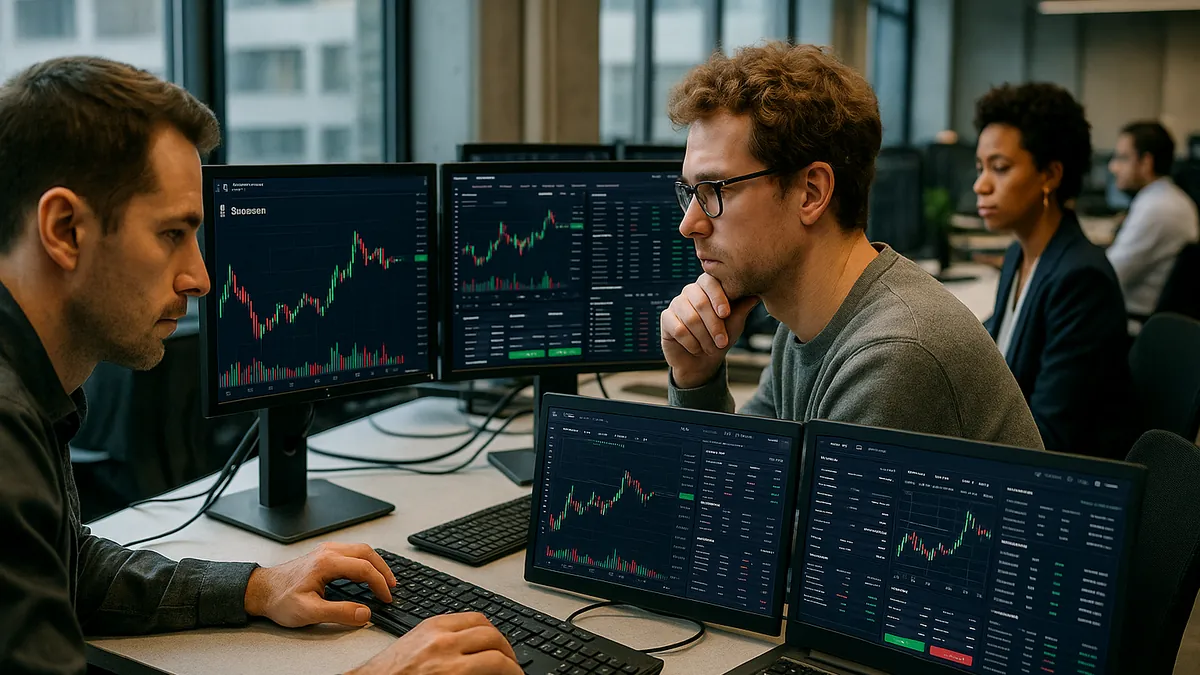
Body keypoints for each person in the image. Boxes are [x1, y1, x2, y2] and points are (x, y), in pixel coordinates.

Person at [0, 57, 520, 675]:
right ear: (65, 229)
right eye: (172, 234)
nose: (200, 277)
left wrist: (256, 587)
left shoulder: (32, 387)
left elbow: (70, 571)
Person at [660, 42, 1043, 450]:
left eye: (714, 190)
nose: (690, 224)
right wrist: (696, 377)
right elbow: (743, 481)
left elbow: (741, 506)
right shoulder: (802, 328)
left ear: (811, 192)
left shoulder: (894, 356)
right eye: (690, 192)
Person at [973, 82, 1134, 459]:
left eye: (1000, 168)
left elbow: (1050, 437)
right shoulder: (1019, 254)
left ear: (1050, 175)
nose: (981, 185)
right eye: (980, 168)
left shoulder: (1080, 279)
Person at [1106, 121, 1199, 322]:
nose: (1113, 167)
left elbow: (1107, 276)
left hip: (1134, 323)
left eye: (1123, 158)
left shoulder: (1156, 208)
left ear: (1146, 162)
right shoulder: (1171, 198)